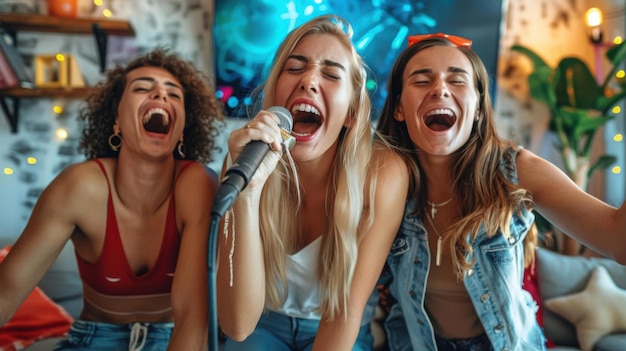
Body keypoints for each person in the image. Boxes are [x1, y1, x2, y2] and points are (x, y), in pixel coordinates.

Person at [375, 32, 626, 351]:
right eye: (422, 81)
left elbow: (618, 241)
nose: (440, 89)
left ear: (478, 108)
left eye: (457, 80)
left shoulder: (515, 169)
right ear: (398, 108)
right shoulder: (382, 180)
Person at [0, 48, 223, 350]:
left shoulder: (198, 184)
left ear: (182, 129)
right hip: (93, 339)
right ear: (115, 120)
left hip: (171, 339)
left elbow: (193, 318)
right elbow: (5, 295)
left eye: (174, 94)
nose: (160, 95)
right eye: (143, 88)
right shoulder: (79, 186)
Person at [216, 14, 409, 351]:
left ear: (350, 112)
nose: (308, 81)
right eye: (295, 68)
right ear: (275, 95)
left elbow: (346, 312)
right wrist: (247, 196)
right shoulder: (243, 160)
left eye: (331, 74)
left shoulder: (383, 173)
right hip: (262, 322)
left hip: (338, 324)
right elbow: (237, 325)